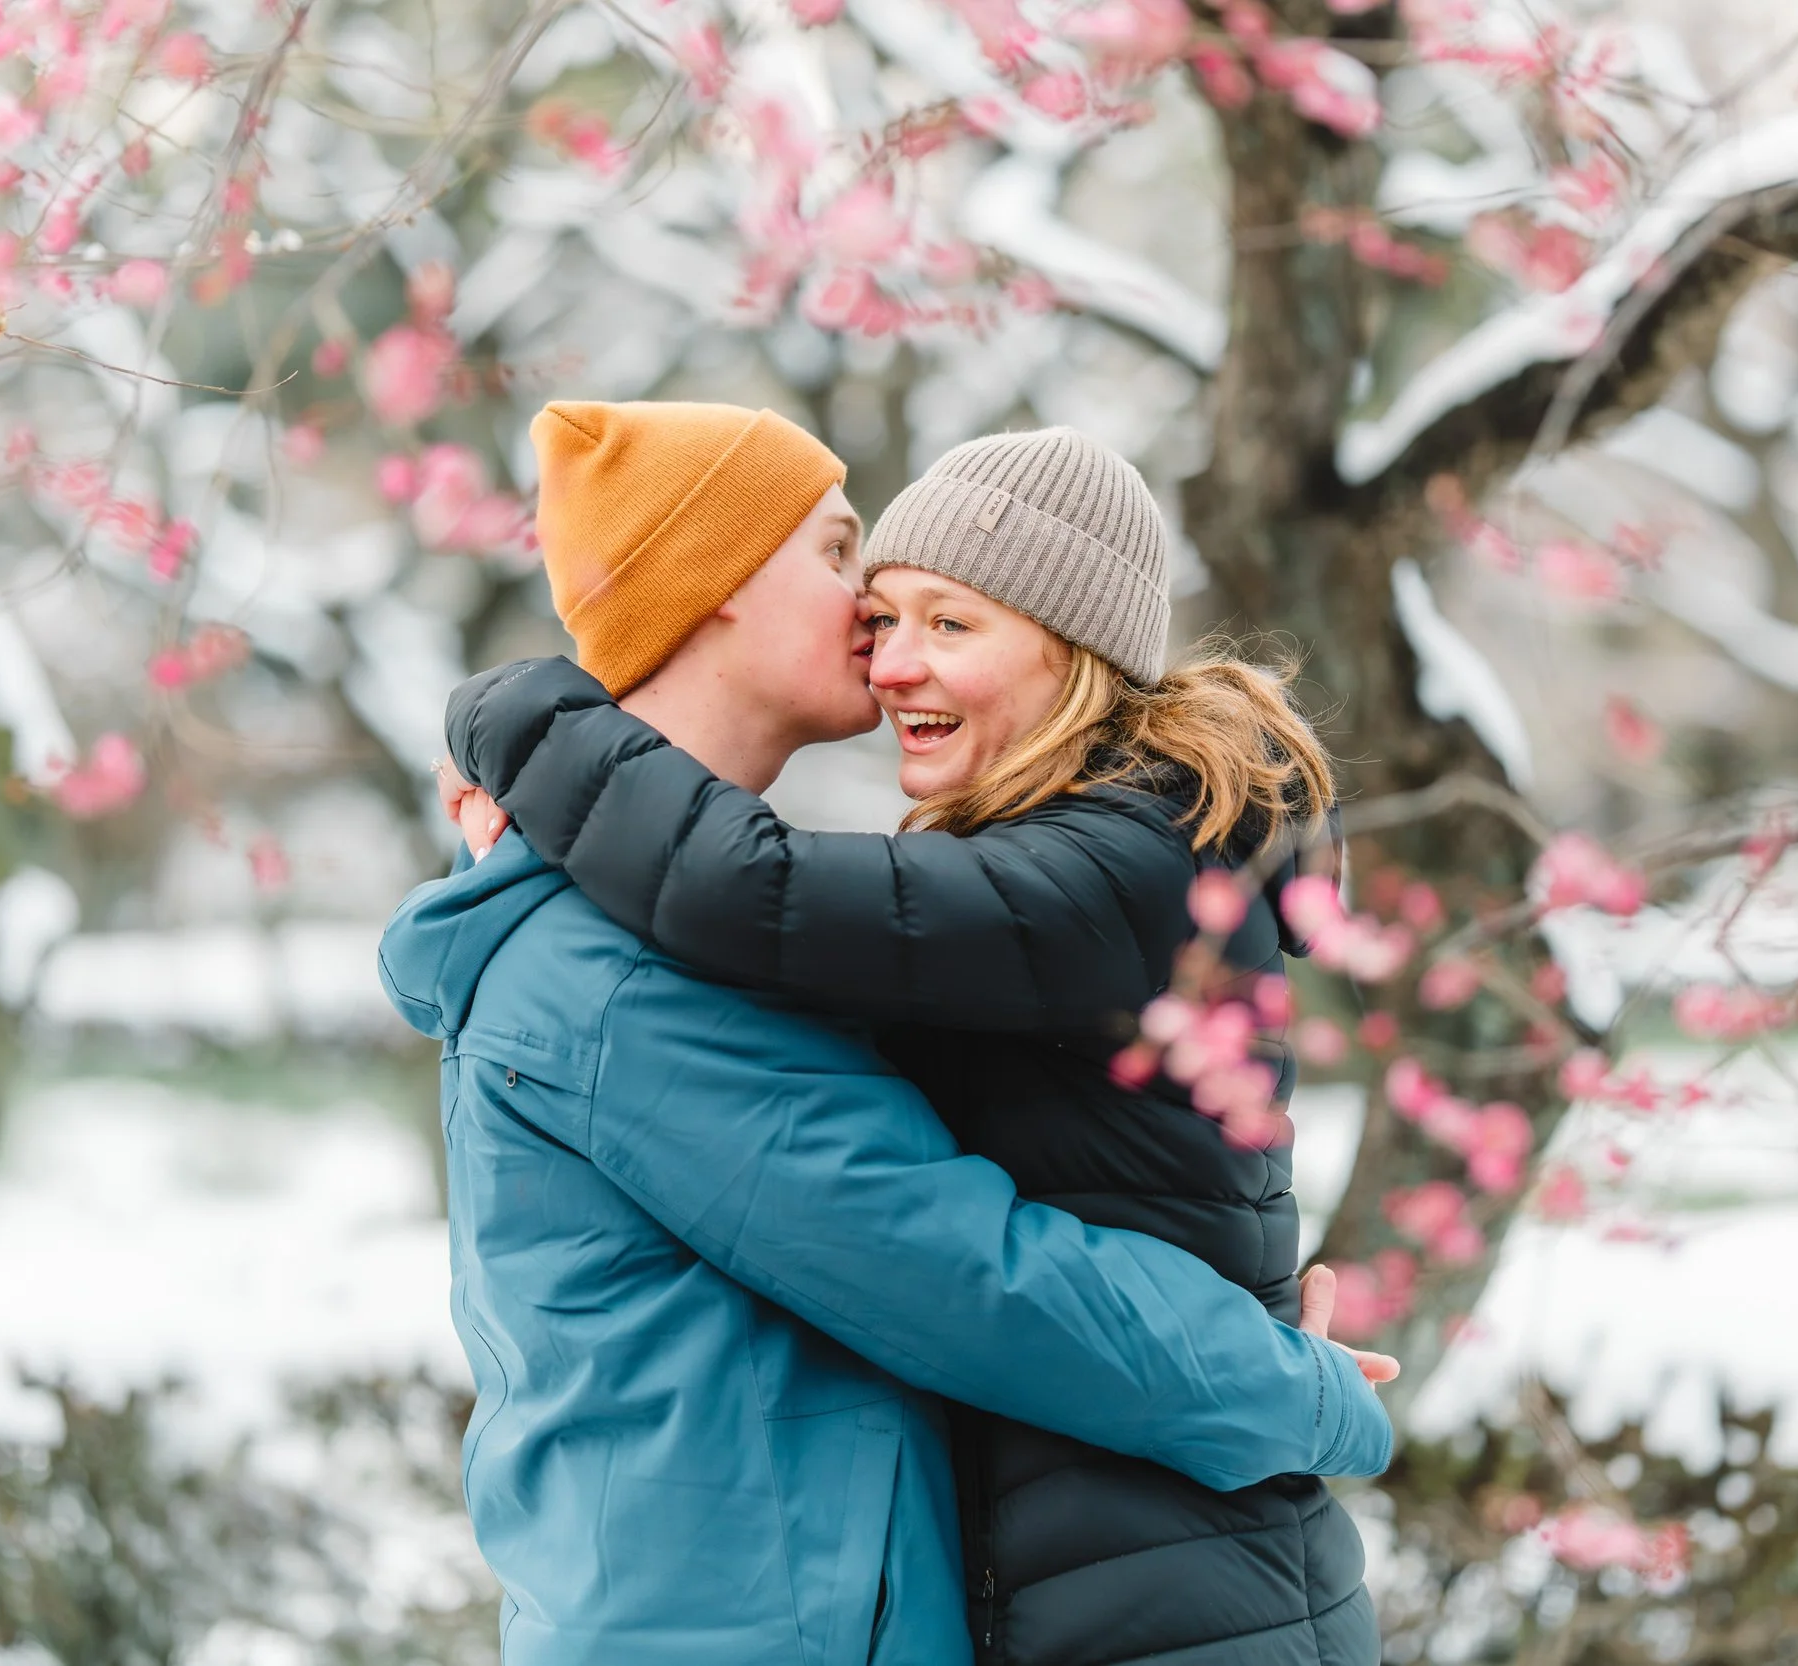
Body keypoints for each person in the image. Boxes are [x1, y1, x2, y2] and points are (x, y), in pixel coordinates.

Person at [380, 400, 1394, 1666]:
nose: (873, 621)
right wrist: (1297, 1388)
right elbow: (979, 1283)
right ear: (721, 587)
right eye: (841, 556)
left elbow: (770, 903)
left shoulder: (1078, 862)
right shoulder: (626, 973)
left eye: (942, 617)